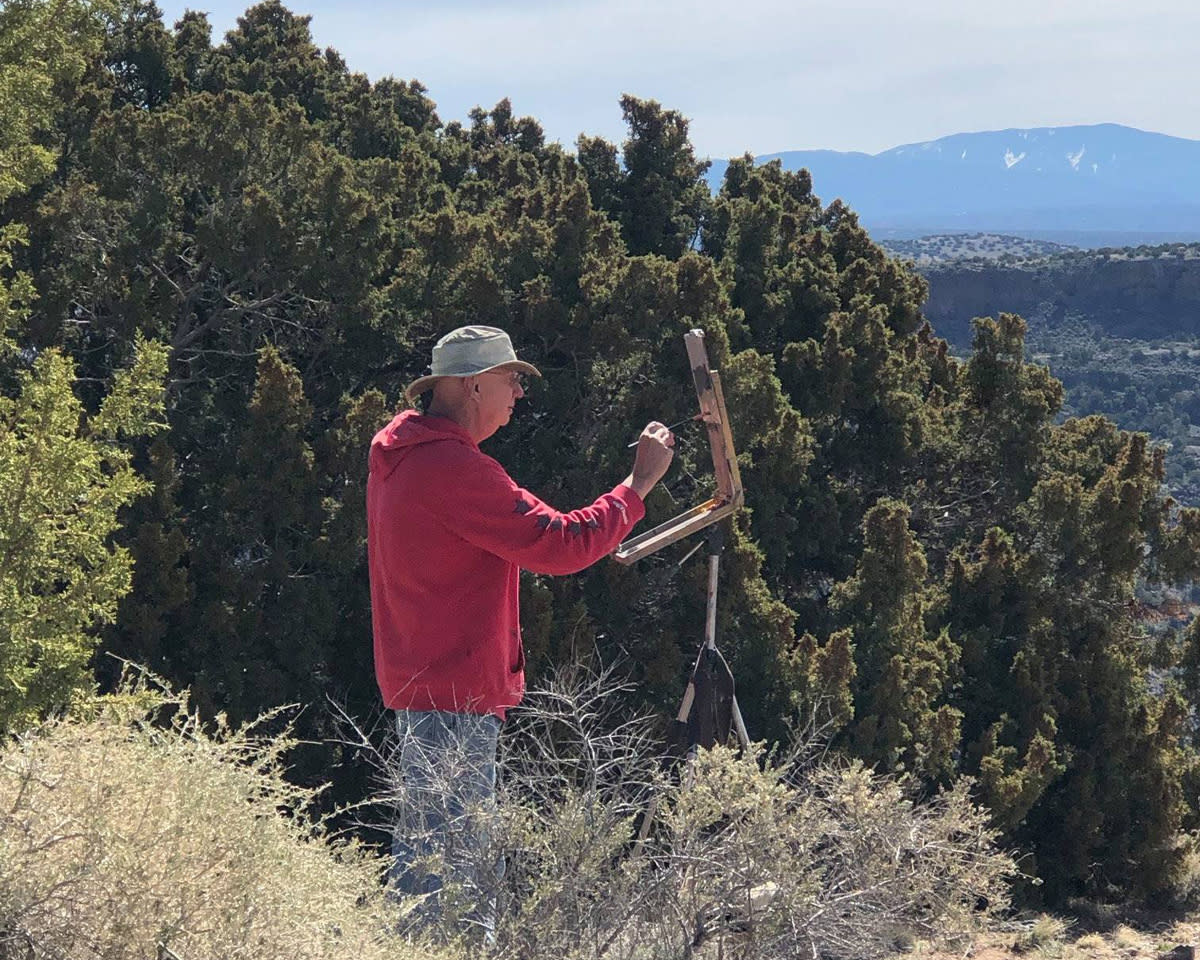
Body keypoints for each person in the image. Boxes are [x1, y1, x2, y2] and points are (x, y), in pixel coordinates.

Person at [366, 325, 674, 933]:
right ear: (472, 386)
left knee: (437, 858)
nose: (518, 394)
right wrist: (637, 486)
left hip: (426, 686)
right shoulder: (450, 467)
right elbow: (561, 544)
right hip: (453, 693)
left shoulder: (401, 456)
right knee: (449, 879)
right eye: (510, 380)